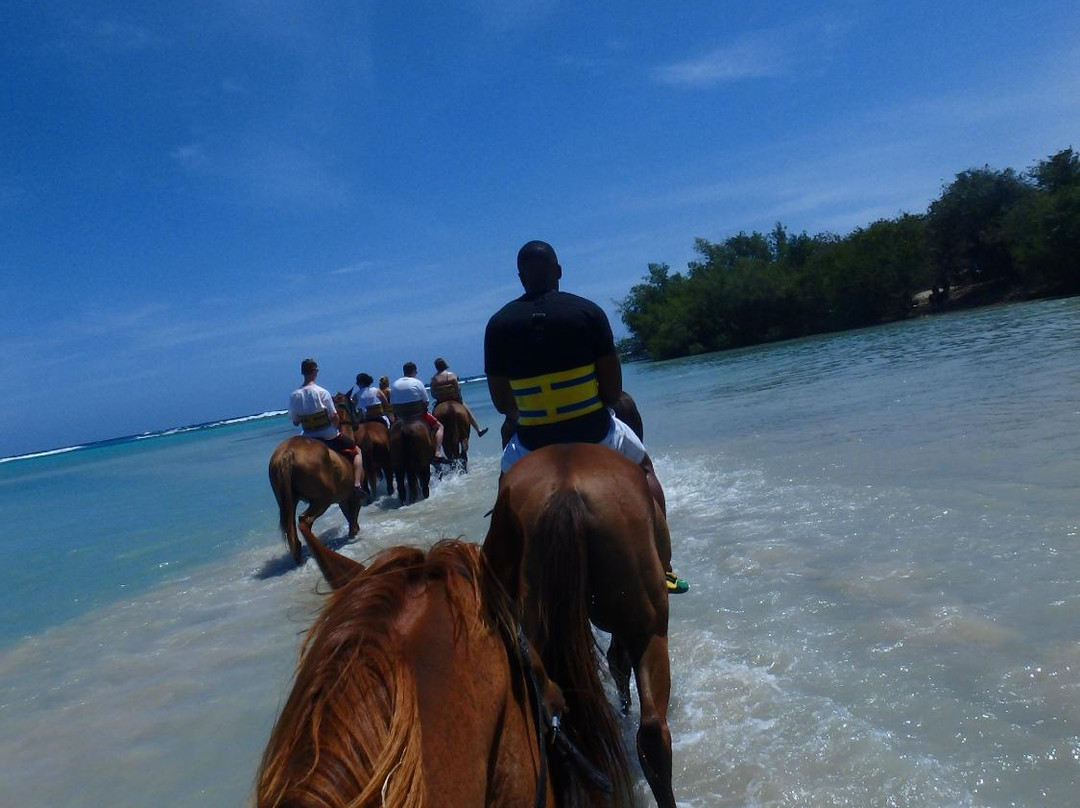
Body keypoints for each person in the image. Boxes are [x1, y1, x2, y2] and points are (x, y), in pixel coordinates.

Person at [484, 240, 687, 593]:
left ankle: (499, 581)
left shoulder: (498, 325)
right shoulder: (588, 313)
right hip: (595, 432)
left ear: (520, 278)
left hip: (532, 443)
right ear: (559, 271)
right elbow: (612, 391)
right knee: (644, 468)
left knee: (505, 492)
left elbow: (503, 403)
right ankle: (663, 564)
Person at [288, 358, 365, 495]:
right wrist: (335, 426)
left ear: (302, 373)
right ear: (315, 372)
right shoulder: (322, 392)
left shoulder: (294, 395)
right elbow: (334, 417)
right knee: (357, 451)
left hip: (307, 436)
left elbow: (295, 422)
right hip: (327, 434)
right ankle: (357, 485)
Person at [389, 361, 447, 462]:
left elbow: (392, 404)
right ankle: (437, 452)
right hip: (417, 415)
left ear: (404, 371)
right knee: (439, 426)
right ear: (414, 371)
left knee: (390, 432)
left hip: (401, 417)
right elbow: (426, 402)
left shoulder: (394, 384)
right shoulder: (417, 382)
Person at [430, 357, 488, 437]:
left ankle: (432, 436)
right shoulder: (451, 375)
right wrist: (459, 398)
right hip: (453, 398)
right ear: (444, 365)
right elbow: (458, 389)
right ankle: (478, 429)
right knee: (467, 410)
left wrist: (438, 397)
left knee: (434, 417)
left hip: (441, 400)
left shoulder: (434, 379)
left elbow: (433, 393)